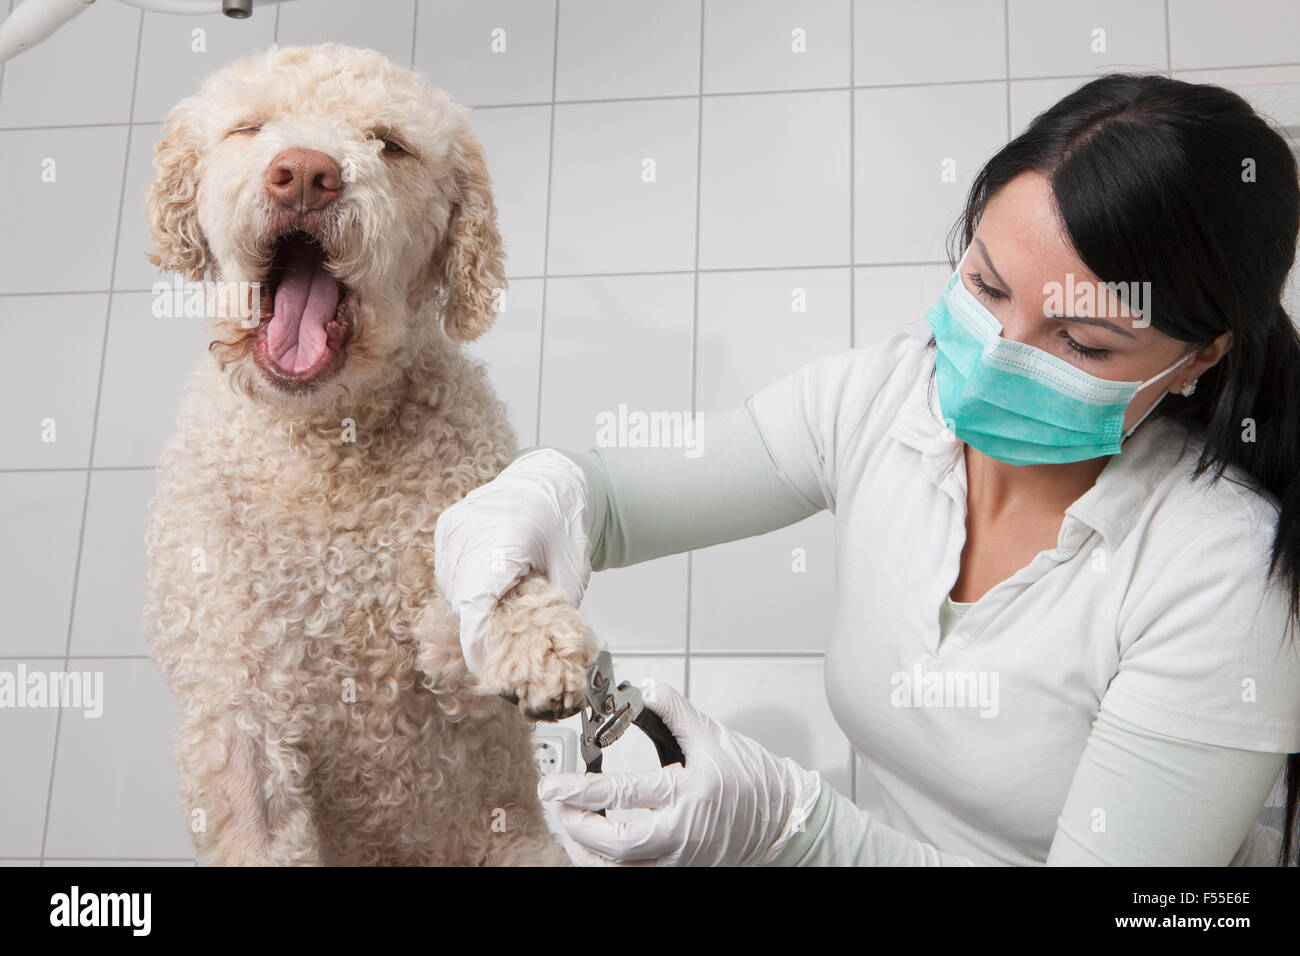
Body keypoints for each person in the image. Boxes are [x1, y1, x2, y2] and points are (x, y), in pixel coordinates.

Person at [434, 73, 1300, 866]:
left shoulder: (1223, 574)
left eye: (1080, 341)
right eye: (988, 289)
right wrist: (544, 500)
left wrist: (802, 834)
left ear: (1198, 358)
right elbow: (617, 501)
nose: (997, 358)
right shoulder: (890, 393)